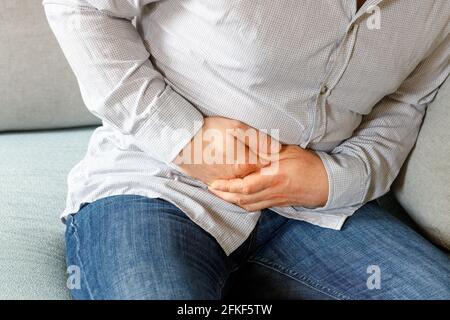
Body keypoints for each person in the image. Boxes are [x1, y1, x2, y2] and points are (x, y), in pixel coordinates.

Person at [44, 0, 450, 299]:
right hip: (159, 183)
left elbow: (406, 102)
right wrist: (184, 137)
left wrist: (334, 179)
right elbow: (80, 6)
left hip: (318, 213)